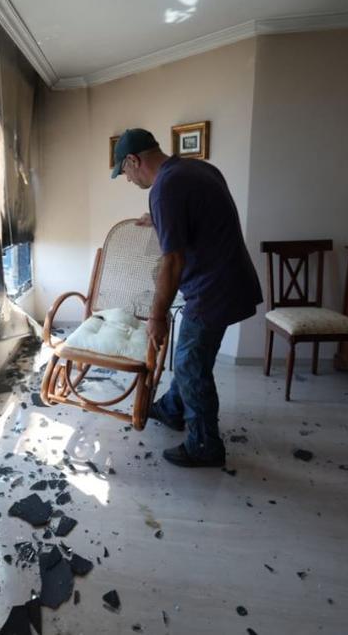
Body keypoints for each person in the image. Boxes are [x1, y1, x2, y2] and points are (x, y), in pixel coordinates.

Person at [111, 128, 262, 467]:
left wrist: (157, 315)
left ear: (134, 160)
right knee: (190, 356)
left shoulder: (165, 189)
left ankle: (205, 445)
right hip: (231, 279)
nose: (127, 179)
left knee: (191, 365)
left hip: (213, 289)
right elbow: (200, 220)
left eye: (124, 171)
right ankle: (172, 409)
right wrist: (160, 221)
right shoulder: (197, 169)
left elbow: (173, 260)